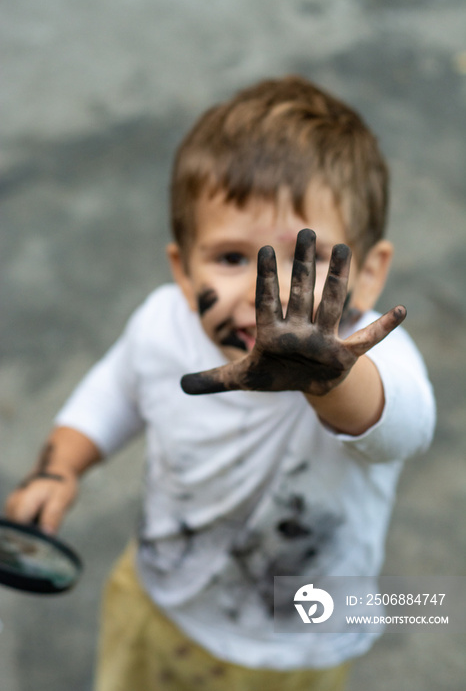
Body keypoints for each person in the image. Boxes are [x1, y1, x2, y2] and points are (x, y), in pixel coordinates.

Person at [5, 76, 435, 691]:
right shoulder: (163, 324)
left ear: (367, 274)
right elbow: (116, 390)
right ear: (183, 268)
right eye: (234, 258)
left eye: (306, 262)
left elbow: (407, 428)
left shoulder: (375, 357)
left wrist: (331, 378)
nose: (272, 298)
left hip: (293, 647)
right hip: (161, 601)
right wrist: (60, 467)